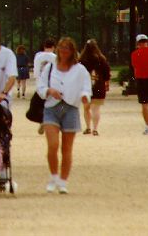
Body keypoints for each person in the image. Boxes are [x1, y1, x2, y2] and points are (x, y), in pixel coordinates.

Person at [37, 37, 92, 194]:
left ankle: (63, 181)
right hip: (51, 108)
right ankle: (53, 176)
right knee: (53, 145)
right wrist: (49, 91)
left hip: (70, 108)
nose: (63, 51)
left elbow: (86, 88)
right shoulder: (49, 67)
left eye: (66, 48)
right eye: (61, 48)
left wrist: (84, 96)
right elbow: (41, 86)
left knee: (67, 149)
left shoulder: (80, 69)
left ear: (72, 51)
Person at [80, 39, 111, 135]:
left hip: (85, 87)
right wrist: (106, 83)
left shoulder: (82, 60)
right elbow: (107, 74)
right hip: (99, 85)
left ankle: (88, 127)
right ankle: (95, 129)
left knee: (86, 108)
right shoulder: (101, 59)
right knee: (95, 109)